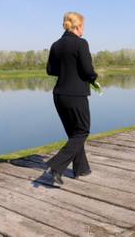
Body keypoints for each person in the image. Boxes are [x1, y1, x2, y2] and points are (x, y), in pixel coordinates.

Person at [45, 11, 100, 185]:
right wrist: (93, 79)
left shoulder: (55, 45)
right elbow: (87, 71)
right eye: (83, 26)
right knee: (83, 130)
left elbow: (50, 70)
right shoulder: (81, 44)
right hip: (76, 95)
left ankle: (81, 168)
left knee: (74, 133)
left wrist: (67, 69)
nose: (84, 29)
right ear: (78, 26)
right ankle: (56, 165)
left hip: (59, 95)